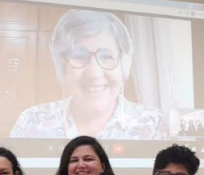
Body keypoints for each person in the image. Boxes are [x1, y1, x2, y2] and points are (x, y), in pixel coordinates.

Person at [10, 9, 165, 140]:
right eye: (79, 56)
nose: (94, 74)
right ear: (62, 66)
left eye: (107, 57)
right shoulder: (32, 121)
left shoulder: (152, 123)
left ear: (123, 64)